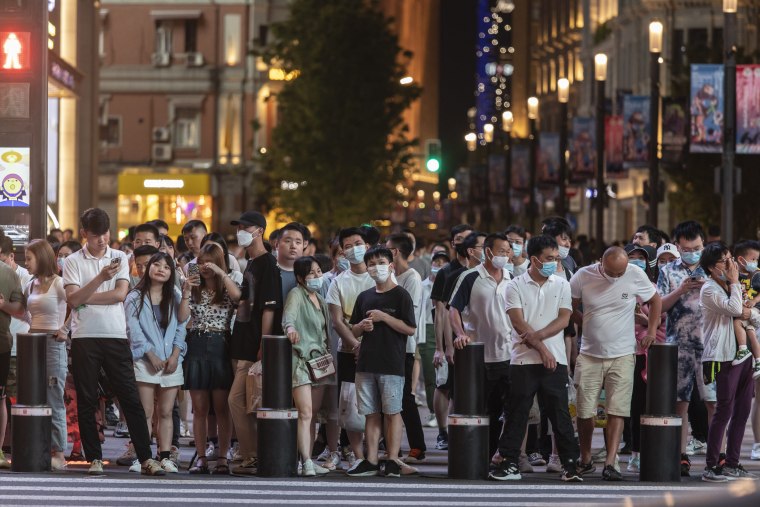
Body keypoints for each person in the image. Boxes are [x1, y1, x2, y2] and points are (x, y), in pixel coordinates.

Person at [63, 208, 164, 476]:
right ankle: (94, 458)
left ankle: (146, 458)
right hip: (84, 336)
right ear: (84, 233)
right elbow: (72, 300)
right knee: (86, 399)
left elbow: (120, 295)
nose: (102, 240)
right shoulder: (72, 260)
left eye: (105, 234)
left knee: (129, 397)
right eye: (96, 235)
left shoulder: (119, 256)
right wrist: (99, 279)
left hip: (115, 335)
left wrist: (84, 295)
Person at [490, 234, 582, 482]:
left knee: (560, 414)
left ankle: (570, 465)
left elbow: (564, 319)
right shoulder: (515, 285)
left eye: (555, 258)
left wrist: (539, 341)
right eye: (548, 258)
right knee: (517, 413)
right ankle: (508, 462)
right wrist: (542, 349)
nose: (554, 262)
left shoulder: (562, 284)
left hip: (556, 361)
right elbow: (518, 323)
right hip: (523, 361)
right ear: (533, 259)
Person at [570, 246, 661, 481]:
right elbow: (570, 305)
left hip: (622, 354)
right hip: (589, 353)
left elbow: (655, 299)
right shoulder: (583, 275)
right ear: (601, 262)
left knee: (617, 410)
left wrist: (651, 329)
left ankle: (611, 462)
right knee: (584, 411)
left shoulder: (634, 273)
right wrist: (584, 321)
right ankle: (586, 457)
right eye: (612, 273)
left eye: (621, 274)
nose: (617, 277)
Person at [347, 246, 417, 478]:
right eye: (372, 263)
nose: (376, 267)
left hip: (391, 364)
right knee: (370, 413)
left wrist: (384, 317)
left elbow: (410, 329)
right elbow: (354, 329)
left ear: (391, 266)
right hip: (366, 364)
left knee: (392, 412)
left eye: (380, 262)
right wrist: (361, 327)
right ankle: (372, 459)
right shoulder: (364, 296)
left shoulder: (401, 295)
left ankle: (393, 459)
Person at [656, 221, 714, 477]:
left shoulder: (713, 268)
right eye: (688, 248)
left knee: (714, 402)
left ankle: (716, 457)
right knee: (680, 403)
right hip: (677, 345)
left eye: (698, 247)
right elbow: (660, 307)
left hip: (711, 345)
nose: (693, 252)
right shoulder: (667, 270)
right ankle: (681, 456)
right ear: (678, 247)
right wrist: (681, 290)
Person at [226, 211, 281, 475]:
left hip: (254, 345)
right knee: (243, 402)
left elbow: (269, 308)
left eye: (245, 227)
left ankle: (253, 455)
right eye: (239, 228)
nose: (241, 232)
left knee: (237, 400)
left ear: (259, 230)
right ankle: (249, 453)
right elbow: (244, 300)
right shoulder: (251, 262)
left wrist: (264, 345)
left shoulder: (268, 264)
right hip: (243, 341)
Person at [125, 252, 189, 474]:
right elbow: (133, 330)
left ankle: (165, 456)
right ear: (148, 268)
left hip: (171, 360)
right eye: (157, 265)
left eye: (167, 267)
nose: (161, 269)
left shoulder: (176, 295)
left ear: (171, 273)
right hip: (144, 361)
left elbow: (182, 325)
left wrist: (175, 355)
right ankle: (143, 456)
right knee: (145, 411)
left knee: (166, 411)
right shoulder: (135, 297)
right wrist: (150, 355)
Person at [450, 232, 513, 457]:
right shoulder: (470, 277)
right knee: (485, 409)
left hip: (509, 353)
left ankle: (506, 455)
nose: (505, 256)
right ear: (488, 252)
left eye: (508, 251)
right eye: (501, 251)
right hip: (480, 357)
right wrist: (459, 333)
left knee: (512, 410)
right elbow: (454, 309)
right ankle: (481, 455)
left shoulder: (512, 277)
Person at [699, 243, 758, 481]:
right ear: (713, 268)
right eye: (725, 261)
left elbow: (753, 315)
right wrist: (735, 283)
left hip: (743, 356)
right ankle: (711, 465)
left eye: (731, 259)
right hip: (723, 356)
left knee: (743, 410)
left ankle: (732, 462)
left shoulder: (731, 286)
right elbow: (735, 309)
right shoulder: (709, 289)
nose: (731, 264)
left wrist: (748, 312)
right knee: (724, 409)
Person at [183, 243, 241, 474]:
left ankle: (222, 457)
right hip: (195, 343)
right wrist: (186, 291)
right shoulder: (192, 288)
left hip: (220, 345)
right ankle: (201, 457)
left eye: (210, 262)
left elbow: (238, 297)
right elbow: (181, 317)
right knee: (199, 408)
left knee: (221, 407)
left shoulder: (227, 288)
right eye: (201, 261)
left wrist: (220, 273)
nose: (204, 266)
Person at [326, 227, 374, 468]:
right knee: (351, 406)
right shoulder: (338, 283)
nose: (353, 248)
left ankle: (373, 454)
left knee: (378, 405)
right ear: (342, 252)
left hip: (378, 352)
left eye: (358, 243)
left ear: (367, 246)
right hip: (348, 352)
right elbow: (336, 321)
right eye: (347, 245)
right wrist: (355, 345)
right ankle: (358, 455)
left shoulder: (380, 275)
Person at [283, 256, 334, 476]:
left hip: (320, 362)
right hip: (301, 361)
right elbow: (288, 317)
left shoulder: (320, 299)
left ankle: (307, 460)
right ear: (300, 277)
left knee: (312, 414)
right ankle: (305, 461)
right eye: (311, 273)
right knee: (304, 412)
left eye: (319, 272)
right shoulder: (296, 294)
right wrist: (290, 329)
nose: (316, 276)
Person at [23, 240, 70, 471]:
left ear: (41, 257)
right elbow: (24, 312)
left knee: (53, 397)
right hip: (32, 343)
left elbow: (79, 305)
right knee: (34, 399)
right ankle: (40, 450)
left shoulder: (60, 283)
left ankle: (59, 453)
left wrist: (65, 329)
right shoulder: (31, 285)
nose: (26, 262)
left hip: (53, 344)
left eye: (29, 258)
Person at [624, 244, 666, 473]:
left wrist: (645, 321)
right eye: (632, 257)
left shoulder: (652, 288)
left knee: (650, 405)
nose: (637, 261)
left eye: (641, 258)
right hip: (626, 351)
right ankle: (634, 453)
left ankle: (650, 450)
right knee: (632, 405)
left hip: (651, 352)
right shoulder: (617, 284)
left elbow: (659, 319)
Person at [430, 224, 472, 451]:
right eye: (459, 238)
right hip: (450, 342)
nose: (464, 242)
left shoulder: (479, 272)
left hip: (472, 343)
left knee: (465, 389)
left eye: (469, 238)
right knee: (444, 385)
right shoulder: (446, 272)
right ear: (453, 243)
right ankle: (443, 432)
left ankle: (460, 431)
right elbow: (441, 313)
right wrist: (441, 346)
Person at [386, 233, 426, 463]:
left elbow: (405, 313)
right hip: (386, 346)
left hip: (405, 346)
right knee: (389, 398)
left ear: (396, 252)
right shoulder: (391, 276)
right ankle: (392, 447)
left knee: (404, 397)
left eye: (386, 248)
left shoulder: (412, 278)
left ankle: (417, 447)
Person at [0, 245, 24, 469]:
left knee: (2, 397)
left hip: (4, 343)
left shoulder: (10, 274)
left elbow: (19, 307)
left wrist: (3, 304)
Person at [419, 251, 449, 427]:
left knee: (446, 377)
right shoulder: (423, 286)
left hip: (448, 328)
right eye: (436, 262)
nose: (440, 265)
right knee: (431, 373)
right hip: (428, 329)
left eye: (443, 262)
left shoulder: (451, 283)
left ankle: (446, 416)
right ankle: (433, 412)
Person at [277, 222, 309, 303]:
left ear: (304, 245)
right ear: (277, 244)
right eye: (288, 241)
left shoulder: (309, 273)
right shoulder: (269, 270)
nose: (293, 246)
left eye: (298, 242)